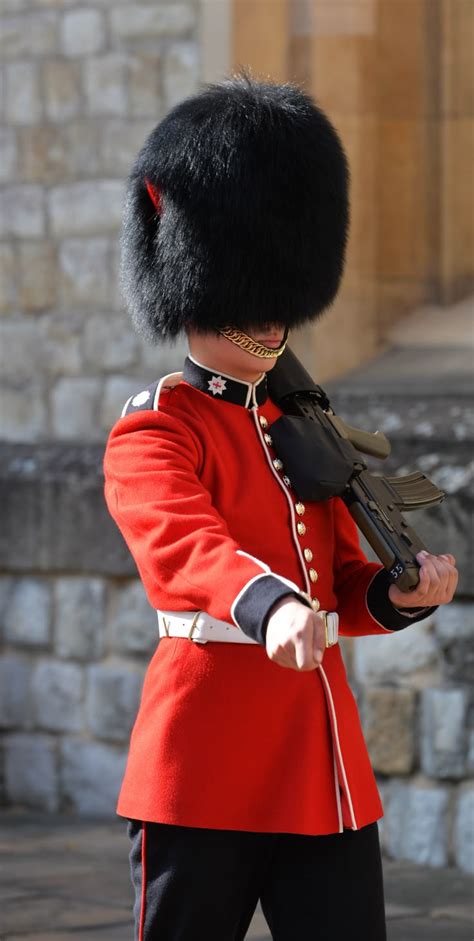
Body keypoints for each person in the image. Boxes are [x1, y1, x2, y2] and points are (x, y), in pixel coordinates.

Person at [103, 74, 458, 941]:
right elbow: (184, 543)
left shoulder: (297, 427)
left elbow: (339, 581)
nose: (271, 321)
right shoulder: (158, 427)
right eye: (250, 299)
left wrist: (394, 593)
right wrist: (267, 605)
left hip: (319, 764)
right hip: (204, 767)